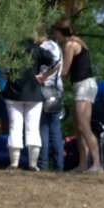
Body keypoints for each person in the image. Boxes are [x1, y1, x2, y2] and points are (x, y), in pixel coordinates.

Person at [52, 17, 103, 174]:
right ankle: (82, 165)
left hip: (84, 86)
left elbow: (65, 70)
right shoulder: (77, 41)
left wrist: (47, 77)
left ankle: (97, 164)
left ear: (61, 32)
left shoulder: (70, 44)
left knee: (85, 126)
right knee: (78, 127)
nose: (55, 36)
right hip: (82, 86)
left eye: (56, 33)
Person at [2, 38, 55, 171]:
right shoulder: (38, 49)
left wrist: (8, 75)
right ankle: (33, 164)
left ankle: (14, 163)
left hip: (14, 92)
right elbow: (55, 61)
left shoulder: (13, 48)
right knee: (33, 129)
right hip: (34, 92)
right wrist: (44, 76)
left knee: (15, 127)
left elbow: (3, 69)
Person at [37, 35, 65, 172]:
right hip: (57, 90)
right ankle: (59, 165)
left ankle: (43, 164)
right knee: (55, 129)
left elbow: (55, 64)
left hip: (45, 89)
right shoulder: (56, 46)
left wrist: (43, 76)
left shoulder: (43, 47)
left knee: (43, 128)